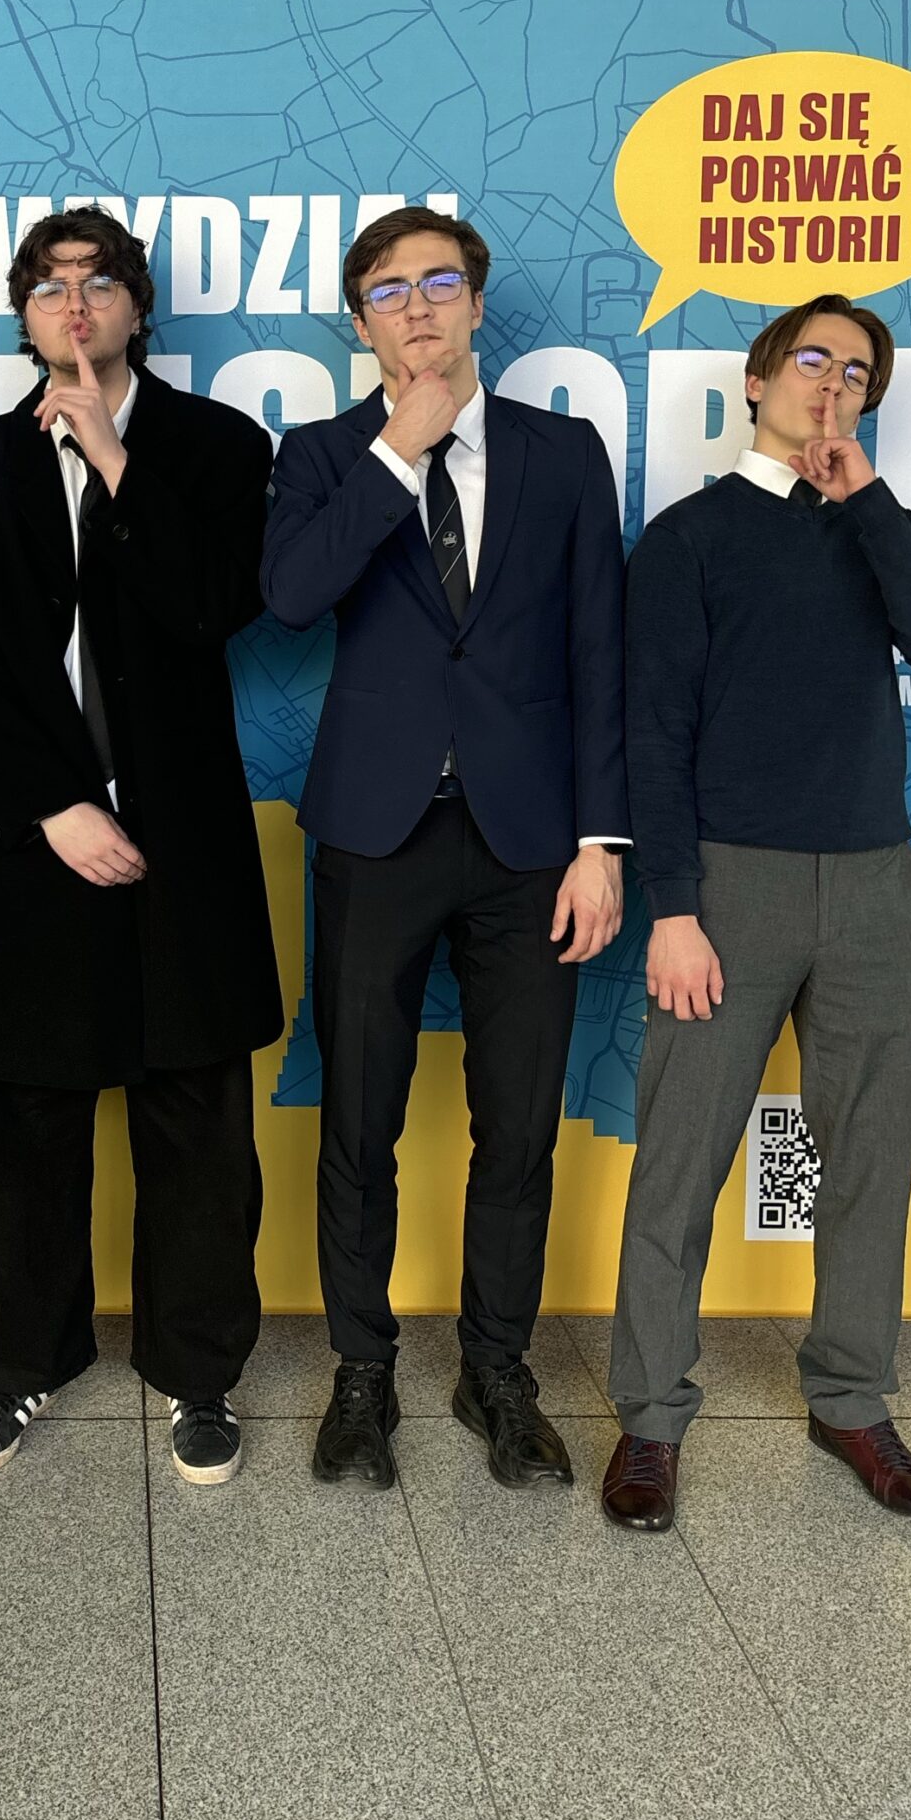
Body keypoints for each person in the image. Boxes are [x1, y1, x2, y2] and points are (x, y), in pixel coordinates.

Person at [603, 295, 911, 1533]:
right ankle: (650, 1418)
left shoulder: (881, 526)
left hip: (875, 884)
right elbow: (652, 732)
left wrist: (866, 498)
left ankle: (852, 1400)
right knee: (681, 1160)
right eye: (812, 358)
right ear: (760, 381)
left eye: (858, 371)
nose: (833, 382)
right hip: (731, 884)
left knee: (871, 1156)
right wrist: (674, 910)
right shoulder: (690, 538)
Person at [0, 204, 282, 1486]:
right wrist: (53, 807)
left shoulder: (220, 447)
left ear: (136, 306)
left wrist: (118, 461)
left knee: (198, 1130)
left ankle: (199, 1374)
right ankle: (23, 1363)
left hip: (183, 847)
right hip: (32, 844)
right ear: (23, 314)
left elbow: (212, 607)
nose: (76, 303)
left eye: (102, 281)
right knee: (14, 1128)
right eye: (51, 284)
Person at [263, 205, 628, 1491]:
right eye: (387, 291)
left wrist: (601, 843)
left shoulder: (563, 452)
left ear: (475, 303)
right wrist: (395, 453)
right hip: (377, 835)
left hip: (532, 845)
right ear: (359, 324)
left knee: (517, 1128)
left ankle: (496, 1371)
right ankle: (362, 1373)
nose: (415, 308)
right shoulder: (321, 455)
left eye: (437, 283)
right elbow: (291, 597)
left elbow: (599, 649)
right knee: (358, 1122)